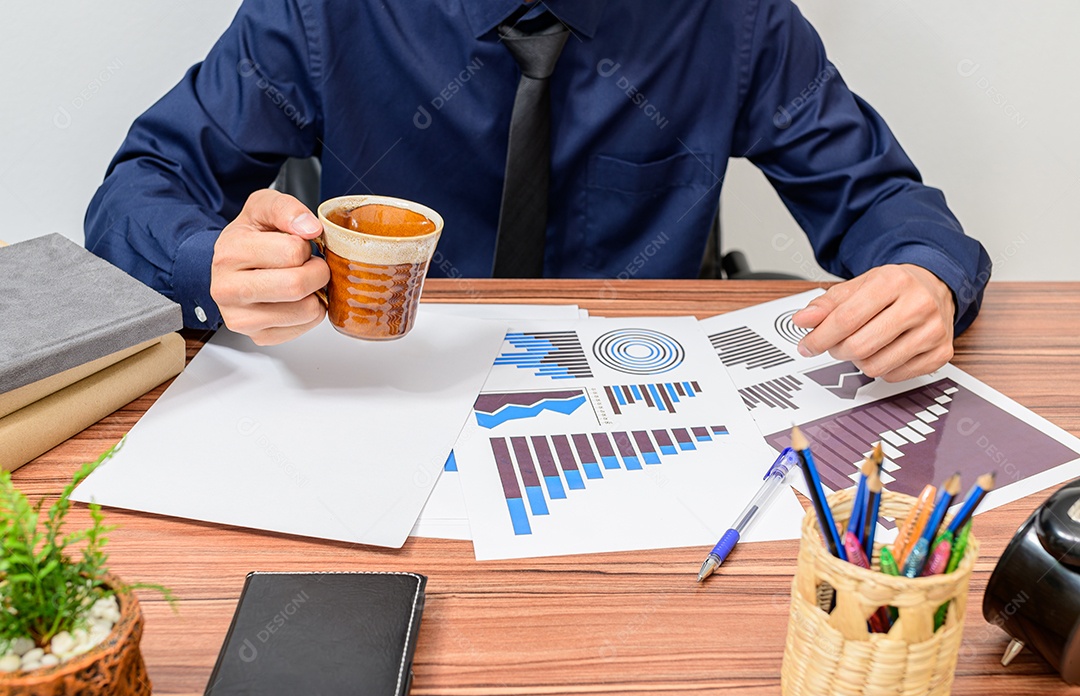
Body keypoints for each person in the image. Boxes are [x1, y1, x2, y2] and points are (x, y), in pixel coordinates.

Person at [85, 0, 991, 382]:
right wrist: (211, 262)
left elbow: (881, 201)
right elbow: (138, 191)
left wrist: (925, 278)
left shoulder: (733, 19)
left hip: (633, 403)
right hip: (380, 393)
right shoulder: (326, 11)